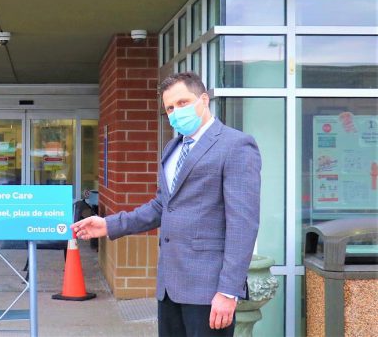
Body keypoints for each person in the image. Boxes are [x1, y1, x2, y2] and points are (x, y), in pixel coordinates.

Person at [72, 72, 261, 337]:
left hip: (208, 290)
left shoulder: (235, 145)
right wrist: (108, 224)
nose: (175, 112)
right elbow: (162, 206)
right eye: (170, 108)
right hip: (170, 287)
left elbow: (243, 225)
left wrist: (228, 291)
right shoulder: (173, 148)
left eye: (183, 103)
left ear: (204, 100)